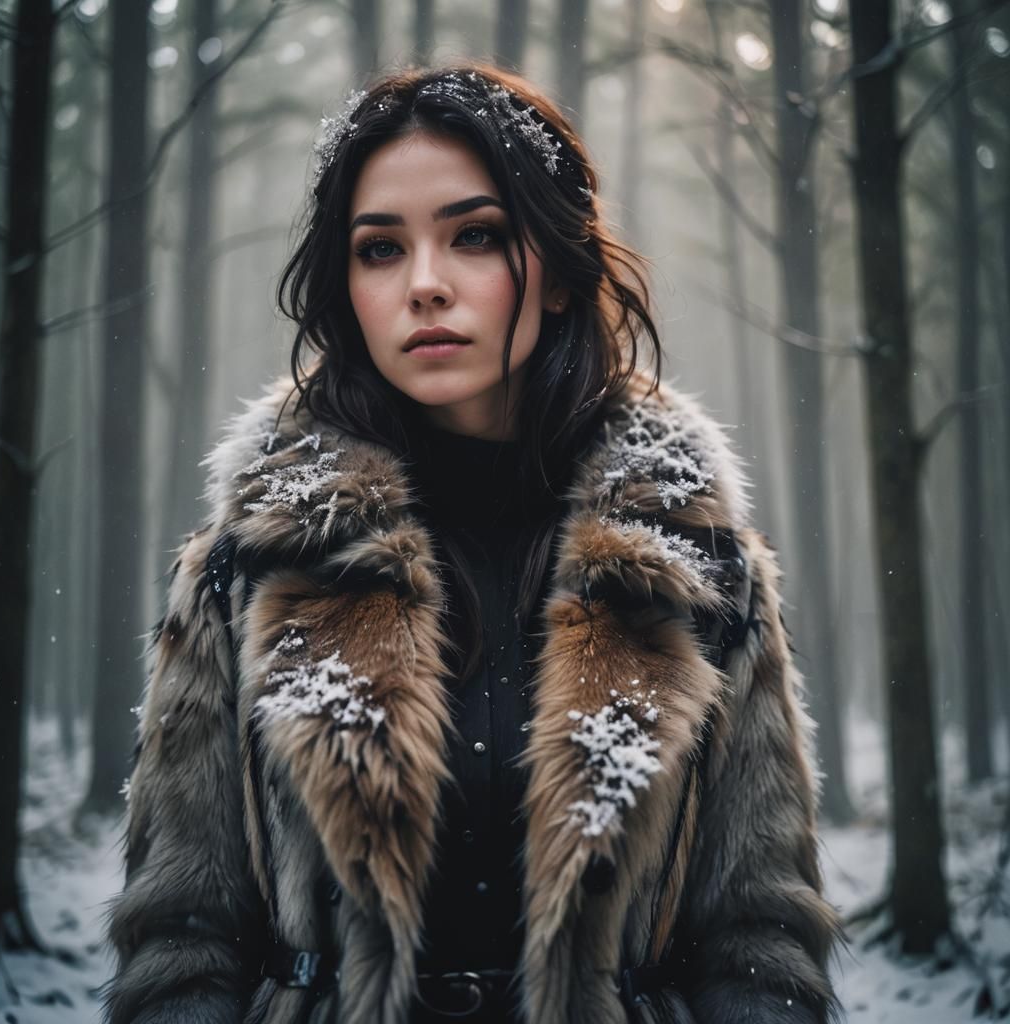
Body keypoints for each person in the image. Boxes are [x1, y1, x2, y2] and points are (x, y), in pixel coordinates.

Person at [104, 63, 842, 1024]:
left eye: (476, 237)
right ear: (346, 289)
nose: (423, 285)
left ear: (562, 273)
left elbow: (760, 940)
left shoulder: (695, 567)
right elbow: (180, 941)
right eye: (378, 250)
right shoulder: (249, 569)